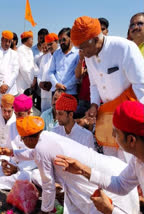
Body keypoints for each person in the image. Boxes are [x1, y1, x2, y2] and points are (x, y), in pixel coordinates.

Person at [0, 115, 139, 213]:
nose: (23, 142)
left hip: (96, 181)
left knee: (104, 205)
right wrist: (12, 152)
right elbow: (34, 154)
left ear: (28, 139)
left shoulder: (42, 146)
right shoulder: (47, 136)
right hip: (110, 168)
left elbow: (48, 185)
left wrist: (46, 210)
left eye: (23, 139)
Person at [71, 16, 144, 162]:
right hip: (107, 117)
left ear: (96, 38)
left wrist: (135, 120)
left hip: (130, 116)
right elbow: (94, 84)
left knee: (131, 162)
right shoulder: (89, 55)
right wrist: (94, 105)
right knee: (111, 161)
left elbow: (141, 85)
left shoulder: (124, 48)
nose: (82, 52)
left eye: (83, 47)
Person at [54, 101, 144, 214]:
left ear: (131, 140)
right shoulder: (137, 160)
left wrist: (110, 210)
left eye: (116, 132)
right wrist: (84, 170)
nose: (113, 136)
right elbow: (121, 184)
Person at [0, 94, 38, 190]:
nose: (17, 117)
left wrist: (17, 168)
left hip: (26, 166)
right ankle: (3, 176)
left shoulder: (35, 127)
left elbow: (34, 156)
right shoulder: (14, 125)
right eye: (16, 114)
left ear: (29, 112)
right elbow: (9, 147)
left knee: (25, 177)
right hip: (13, 162)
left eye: (20, 114)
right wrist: (5, 162)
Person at [48, 27, 79, 96]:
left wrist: (65, 86)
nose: (61, 42)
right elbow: (50, 71)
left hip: (70, 92)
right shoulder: (56, 53)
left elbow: (77, 75)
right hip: (56, 92)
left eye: (64, 40)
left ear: (71, 39)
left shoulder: (77, 54)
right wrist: (56, 84)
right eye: (60, 40)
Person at [38, 33, 58, 112]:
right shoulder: (45, 57)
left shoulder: (60, 56)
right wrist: (40, 84)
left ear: (56, 42)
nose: (49, 47)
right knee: (44, 115)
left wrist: (52, 84)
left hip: (54, 92)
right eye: (48, 45)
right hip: (44, 93)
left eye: (51, 44)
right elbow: (40, 74)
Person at [0, 30, 19, 96]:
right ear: (2, 40)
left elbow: (15, 72)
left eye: (9, 41)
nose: (7, 44)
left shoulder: (14, 54)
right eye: (6, 41)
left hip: (11, 90)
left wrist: (7, 85)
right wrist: (1, 84)